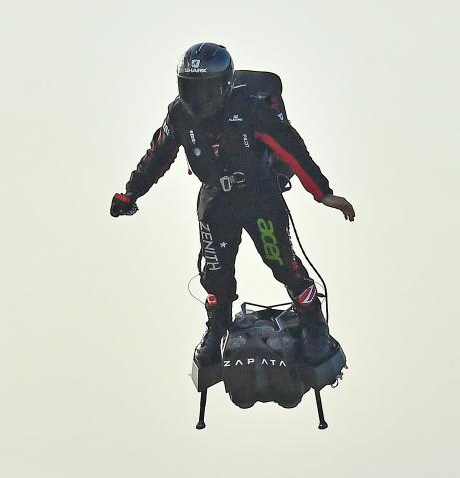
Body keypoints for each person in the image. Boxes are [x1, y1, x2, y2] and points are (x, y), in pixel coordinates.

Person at [110, 42, 355, 366]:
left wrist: (323, 193)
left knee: (281, 262)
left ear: (224, 86)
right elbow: (156, 155)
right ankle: (217, 327)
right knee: (215, 272)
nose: (198, 98)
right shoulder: (179, 114)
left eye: (206, 89)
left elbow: (290, 147)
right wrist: (131, 194)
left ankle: (313, 322)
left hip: (259, 196)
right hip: (215, 201)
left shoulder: (249, 108)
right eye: (190, 88)